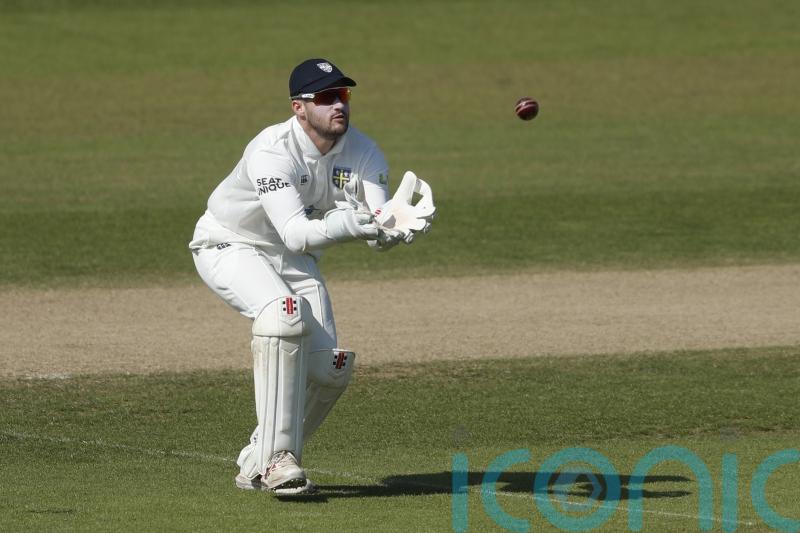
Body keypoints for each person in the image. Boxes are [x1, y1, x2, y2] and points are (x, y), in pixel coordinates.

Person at [189, 58, 433, 495]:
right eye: (326, 97)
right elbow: (297, 233)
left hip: (291, 259)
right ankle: (280, 462)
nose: (339, 104)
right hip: (230, 243)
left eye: (344, 95)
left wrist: (395, 227)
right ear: (299, 108)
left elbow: (374, 224)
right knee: (284, 318)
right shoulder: (271, 150)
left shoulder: (364, 152)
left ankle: (258, 457)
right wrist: (352, 225)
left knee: (331, 368)